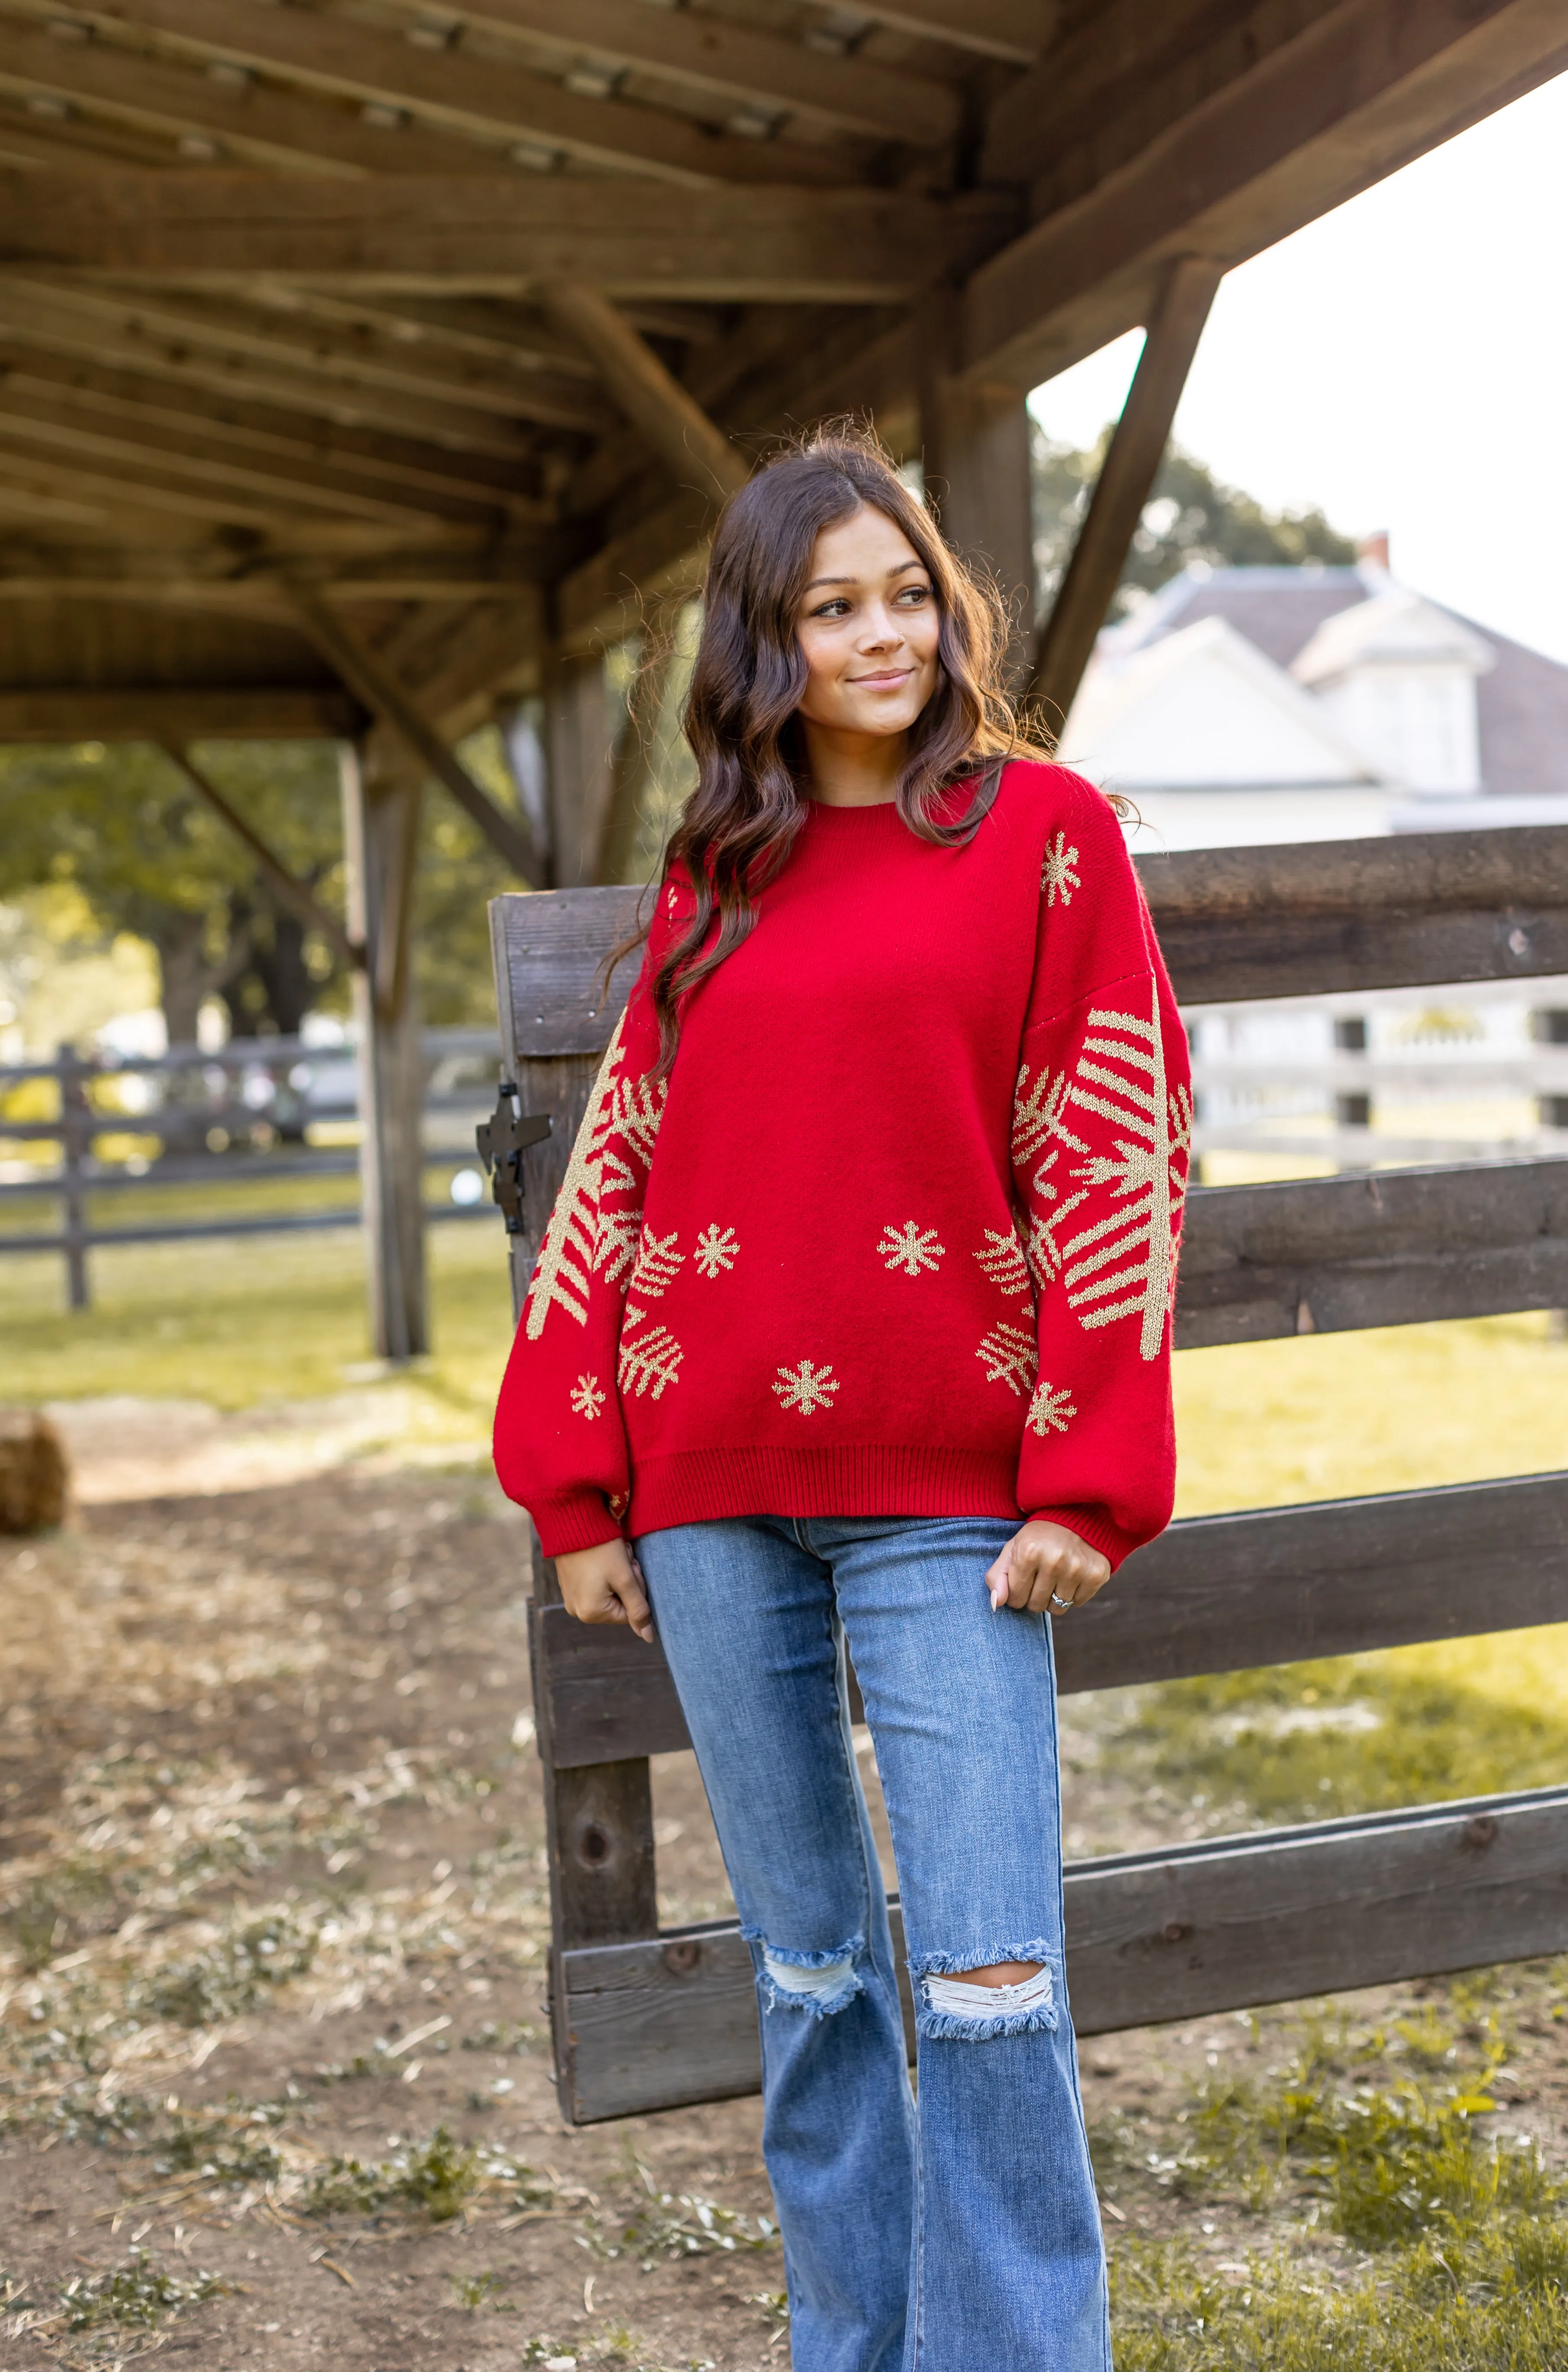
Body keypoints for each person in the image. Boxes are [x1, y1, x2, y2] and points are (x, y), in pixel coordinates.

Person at [494, 429, 1191, 2372]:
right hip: (709, 1495)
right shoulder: (720, 873)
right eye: (830, 607)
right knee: (810, 1976)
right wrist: (573, 1489)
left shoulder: (1049, 834)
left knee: (984, 1978)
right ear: (765, 647)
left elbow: (1116, 1144)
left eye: (905, 593)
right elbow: (615, 1171)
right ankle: (851, 2348)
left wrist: (1087, 1470)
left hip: (956, 1503)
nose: (882, 635)